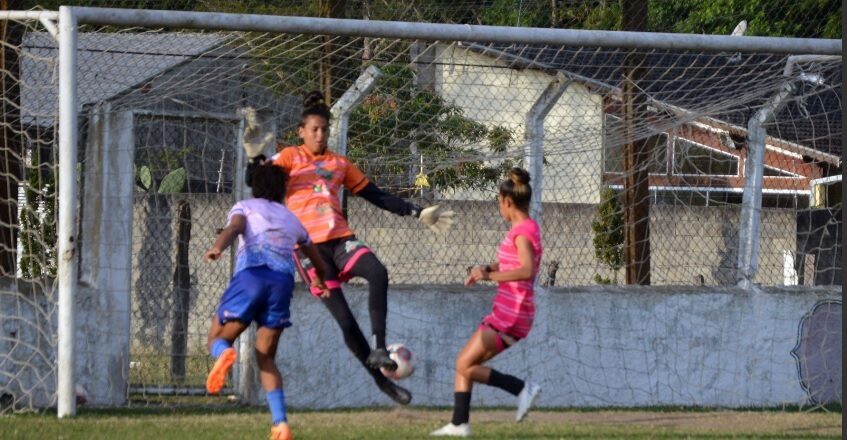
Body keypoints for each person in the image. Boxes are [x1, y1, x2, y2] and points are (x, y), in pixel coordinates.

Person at [242, 91, 455, 405]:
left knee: (378, 272)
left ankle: (379, 347)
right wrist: (254, 160)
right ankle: (382, 383)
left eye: (324, 129)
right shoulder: (289, 158)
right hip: (309, 249)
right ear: (301, 131)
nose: (320, 134)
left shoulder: (339, 163)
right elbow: (257, 183)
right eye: (314, 129)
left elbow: (376, 195)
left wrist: (415, 211)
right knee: (346, 322)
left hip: (341, 239)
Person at [204, 163, 330, 440]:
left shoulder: (245, 207)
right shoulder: (291, 219)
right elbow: (315, 258)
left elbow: (235, 228)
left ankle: (224, 352)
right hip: (281, 285)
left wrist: (217, 247)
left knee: (216, 336)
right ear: (283, 189)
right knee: (266, 357)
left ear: (254, 186)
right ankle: (281, 424)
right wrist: (319, 280)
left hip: (251, 277)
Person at [431, 167, 543, 437]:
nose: (499, 208)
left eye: (498, 203)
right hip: (511, 313)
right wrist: (485, 268)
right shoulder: (522, 228)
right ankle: (459, 424)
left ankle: (520, 388)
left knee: (463, 364)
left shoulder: (522, 232)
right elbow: (510, 261)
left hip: (512, 313)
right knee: (465, 364)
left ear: (507, 202)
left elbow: (527, 269)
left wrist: (490, 275)